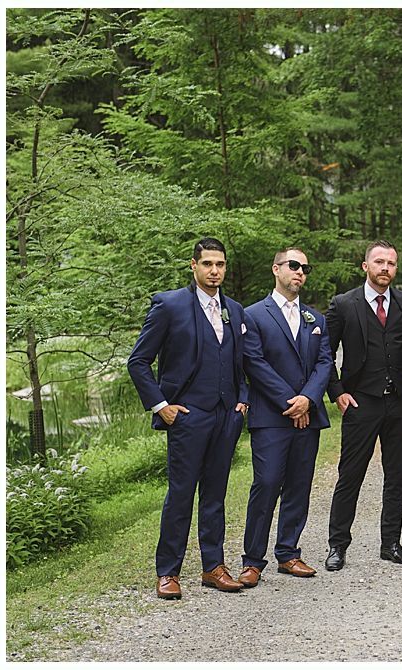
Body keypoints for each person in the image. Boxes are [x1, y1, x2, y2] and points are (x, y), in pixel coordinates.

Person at [127, 237, 249, 599]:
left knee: (216, 495)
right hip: (186, 417)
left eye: (221, 265)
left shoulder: (235, 310)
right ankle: (168, 572)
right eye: (208, 264)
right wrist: (161, 405)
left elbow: (241, 362)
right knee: (181, 495)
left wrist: (242, 400)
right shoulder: (170, 305)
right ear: (193, 266)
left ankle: (213, 567)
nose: (215, 271)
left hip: (226, 417)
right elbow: (138, 362)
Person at [238, 247, 333, 588]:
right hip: (271, 416)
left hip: (308, 416)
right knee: (265, 485)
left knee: (299, 485)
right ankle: (252, 560)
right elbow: (254, 362)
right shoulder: (252, 315)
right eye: (294, 266)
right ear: (276, 268)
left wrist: (308, 399)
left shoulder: (316, 319)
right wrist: (289, 401)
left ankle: (289, 553)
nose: (300, 273)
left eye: (305, 268)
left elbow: (325, 362)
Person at [323, 240, 402, 571]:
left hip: (400, 405)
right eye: (379, 262)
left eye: (391, 264)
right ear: (366, 266)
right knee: (350, 475)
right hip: (360, 403)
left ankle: (391, 543)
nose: (385, 269)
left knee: (397, 477)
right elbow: (325, 352)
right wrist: (337, 392)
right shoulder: (343, 304)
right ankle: (337, 545)